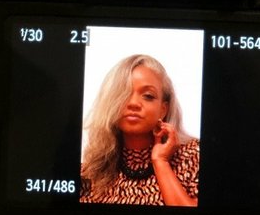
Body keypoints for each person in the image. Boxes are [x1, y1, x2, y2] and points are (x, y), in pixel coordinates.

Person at [81, 54, 199, 207]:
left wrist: (161, 161)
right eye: (123, 94)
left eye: (148, 96)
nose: (134, 103)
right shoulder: (91, 173)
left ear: (163, 109)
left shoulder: (193, 156)